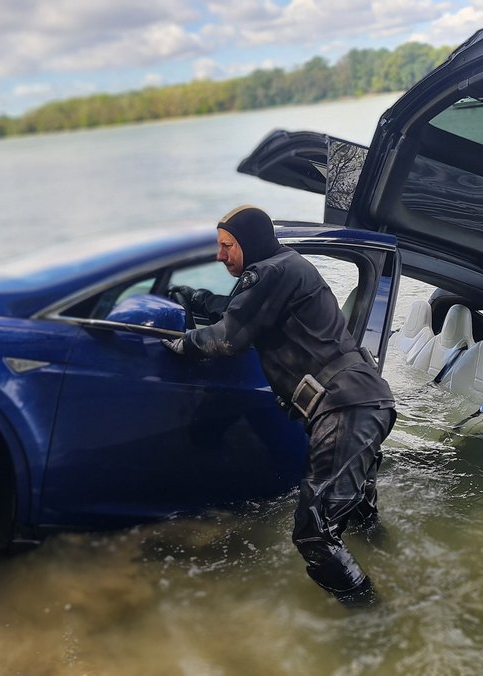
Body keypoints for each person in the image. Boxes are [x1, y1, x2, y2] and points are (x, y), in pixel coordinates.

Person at [162, 205, 396, 605]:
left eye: (226, 246)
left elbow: (227, 338)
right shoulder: (285, 267)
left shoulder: (269, 271)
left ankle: (375, 620)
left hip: (345, 410)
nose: (220, 256)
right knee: (357, 516)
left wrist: (184, 343)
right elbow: (242, 310)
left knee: (314, 535)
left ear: (248, 243)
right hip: (365, 402)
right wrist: (197, 298)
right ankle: (398, 563)